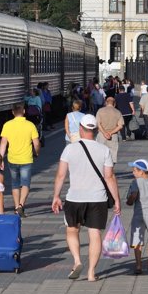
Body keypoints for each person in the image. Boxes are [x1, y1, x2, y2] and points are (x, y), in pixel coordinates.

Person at [50, 115, 121, 282]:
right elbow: (109, 177)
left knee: (72, 230)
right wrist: (117, 200)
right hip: (97, 199)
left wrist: (56, 196)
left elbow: (60, 175)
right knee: (94, 234)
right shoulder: (104, 150)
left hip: (75, 197)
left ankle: (77, 260)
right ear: (96, 131)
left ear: (81, 129)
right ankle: (91, 272)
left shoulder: (69, 149)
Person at [0, 102, 40, 216]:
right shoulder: (30, 125)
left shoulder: (7, 125)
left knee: (15, 184)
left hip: (12, 158)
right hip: (26, 158)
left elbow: (3, 143)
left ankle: (16, 206)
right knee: (25, 183)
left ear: (13, 112)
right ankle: (21, 205)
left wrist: (1, 159)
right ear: (24, 112)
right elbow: (36, 143)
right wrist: (37, 152)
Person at [94, 96, 124, 163]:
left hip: (102, 135)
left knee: (100, 154)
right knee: (112, 155)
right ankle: (110, 171)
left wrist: (104, 133)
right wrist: (110, 133)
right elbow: (120, 126)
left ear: (106, 103)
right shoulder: (117, 112)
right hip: (113, 136)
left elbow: (98, 124)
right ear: (114, 104)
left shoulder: (100, 111)